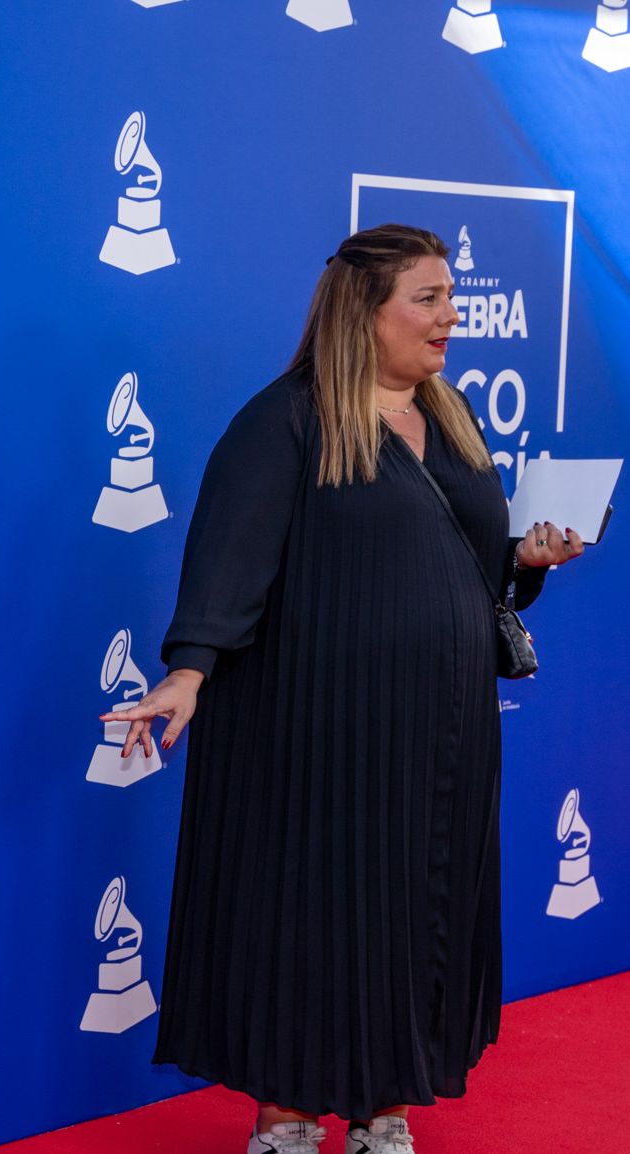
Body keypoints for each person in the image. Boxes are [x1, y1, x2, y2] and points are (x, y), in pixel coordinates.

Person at [103, 224, 587, 1154]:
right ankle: (284, 1116)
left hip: (436, 736)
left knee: (415, 906)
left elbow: (467, 560)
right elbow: (227, 563)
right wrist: (188, 671)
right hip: (314, 730)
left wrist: (523, 560)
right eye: (429, 298)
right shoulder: (283, 422)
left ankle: (382, 1108)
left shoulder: (450, 415)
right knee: (309, 912)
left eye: (451, 296)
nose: (451, 316)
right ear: (363, 313)